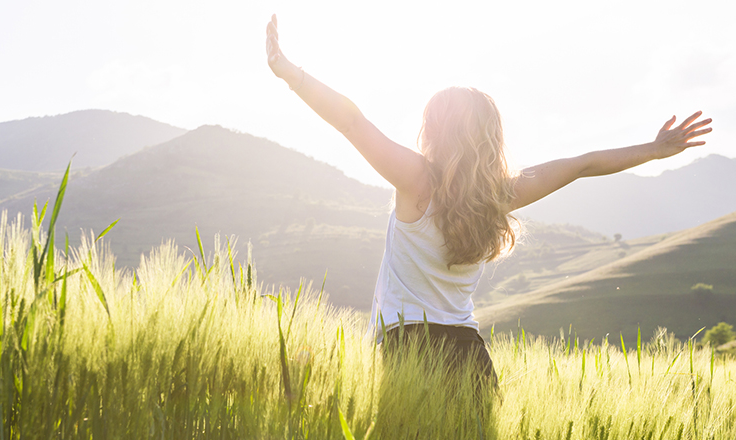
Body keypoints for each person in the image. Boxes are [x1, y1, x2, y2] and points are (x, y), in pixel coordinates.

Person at [265, 14, 712, 382]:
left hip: (408, 348)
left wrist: (290, 73)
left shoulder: (415, 178)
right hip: (470, 356)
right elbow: (581, 164)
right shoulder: (499, 194)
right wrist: (654, 150)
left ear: (433, 130)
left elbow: (351, 123)